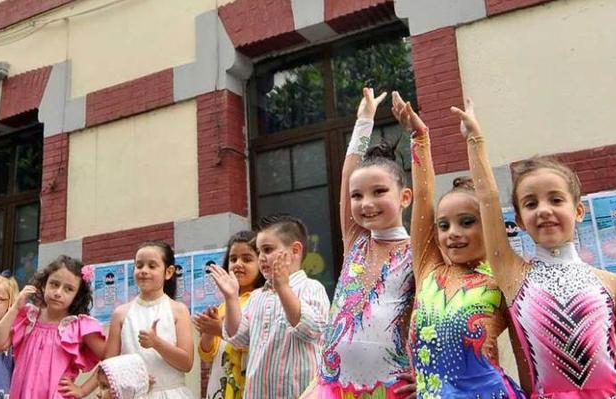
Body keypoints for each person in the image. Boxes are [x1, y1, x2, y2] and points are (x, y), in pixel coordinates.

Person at [452, 99, 616, 398]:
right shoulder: (514, 277)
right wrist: (475, 141)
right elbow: (487, 200)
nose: (543, 210)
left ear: (578, 211)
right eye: (531, 203)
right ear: (520, 221)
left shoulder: (615, 285)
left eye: (555, 200)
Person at [393, 92, 526, 398]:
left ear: (489, 226)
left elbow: (525, 357)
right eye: (444, 225)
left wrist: (475, 142)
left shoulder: (503, 280)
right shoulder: (428, 268)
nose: (453, 233)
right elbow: (424, 197)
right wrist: (419, 136)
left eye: (467, 222)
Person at [303, 87, 417, 399]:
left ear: (405, 197)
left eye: (379, 192)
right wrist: (363, 121)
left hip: (391, 386)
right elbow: (347, 174)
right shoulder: (356, 241)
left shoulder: (418, 251)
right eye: (358, 195)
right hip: (334, 386)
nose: (366, 203)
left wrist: (426, 371)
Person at [211, 215, 331, 399]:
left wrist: (282, 287)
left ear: (295, 250)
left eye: (268, 249)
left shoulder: (312, 288)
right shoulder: (257, 296)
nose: (262, 258)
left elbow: (313, 329)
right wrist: (231, 298)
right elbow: (239, 337)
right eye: (259, 252)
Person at [0, 255, 106, 398]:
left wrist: (83, 389)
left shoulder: (78, 326)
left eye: (68, 289)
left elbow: (111, 358)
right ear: (44, 285)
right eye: (54, 284)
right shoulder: (28, 317)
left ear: (77, 296)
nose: (58, 293)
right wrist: (15, 308)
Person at [99, 241, 195, 399]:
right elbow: (109, 367)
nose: (143, 271)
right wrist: (134, 378)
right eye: (139, 265)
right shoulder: (121, 314)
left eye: (152, 266)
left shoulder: (178, 310)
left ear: (169, 272)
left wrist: (156, 343)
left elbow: (186, 363)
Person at [194, 230, 265, 399]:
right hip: (220, 386)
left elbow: (261, 342)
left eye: (247, 259)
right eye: (233, 259)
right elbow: (207, 354)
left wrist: (220, 329)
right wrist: (208, 333)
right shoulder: (222, 306)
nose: (238, 264)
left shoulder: (264, 299)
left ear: (262, 263)